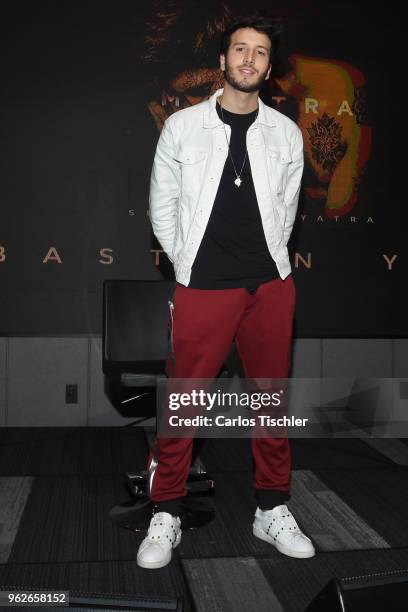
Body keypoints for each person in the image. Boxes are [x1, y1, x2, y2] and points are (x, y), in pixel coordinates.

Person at [137, 13, 315, 570]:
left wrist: (271, 267)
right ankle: (165, 510)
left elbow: (287, 211)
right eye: (240, 49)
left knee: (270, 401)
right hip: (203, 287)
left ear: (268, 67)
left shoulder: (286, 133)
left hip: (270, 286)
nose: (248, 60)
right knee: (184, 403)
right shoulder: (182, 127)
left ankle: (272, 506)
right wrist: (190, 262)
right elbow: (161, 208)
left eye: (260, 53)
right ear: (222, 61)